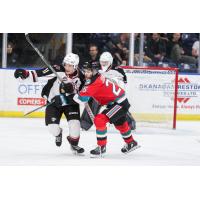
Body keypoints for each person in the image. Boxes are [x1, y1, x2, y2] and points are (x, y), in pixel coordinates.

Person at [63, 62, 139, 157]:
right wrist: (74, 88)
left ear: (94, 71)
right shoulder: (97, 76)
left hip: (118, 104)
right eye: (85, 71)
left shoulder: (94, 82)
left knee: (100, 120)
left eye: (89, 71)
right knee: (120, 124)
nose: (86, 73)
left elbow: (82, 99)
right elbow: (85, 89)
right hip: (119, 102)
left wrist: (70, 92)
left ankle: (101, 148)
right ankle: (131, 143)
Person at [14, 53, 85, 155]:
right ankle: (59, 134)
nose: (67, 67)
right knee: (53, 129)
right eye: (66, 64)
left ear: (75, 66)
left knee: (75, 126)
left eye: (70, 65)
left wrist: (73, 90)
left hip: (70, 103)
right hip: (54, 102)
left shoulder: (81, 77)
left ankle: (74, 144)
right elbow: (39, 74)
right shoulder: (57, 69)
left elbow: (83, 94)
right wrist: (25, 74)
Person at [80, 52, 136, 131]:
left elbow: (123, 85)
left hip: (113, 95)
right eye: (102, 62)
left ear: (110, 62)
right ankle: (84, 124)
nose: (103, 64)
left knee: (120, 106)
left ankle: (130, 124)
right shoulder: (97, 70)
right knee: (92, 100)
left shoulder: (118, 70)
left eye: (105, 62)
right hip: (101, 95)